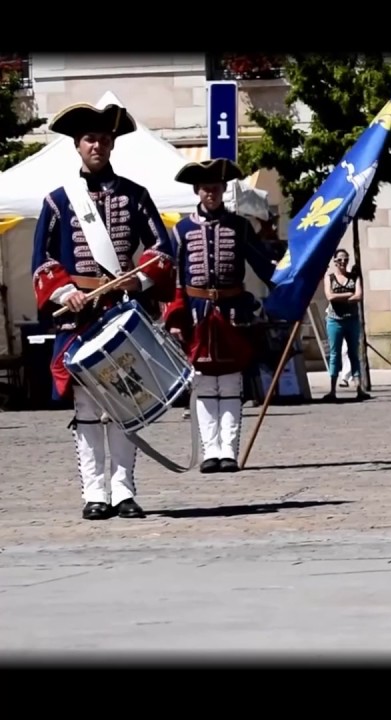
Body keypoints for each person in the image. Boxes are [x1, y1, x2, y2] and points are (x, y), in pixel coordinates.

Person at [30, 102, 177, 520]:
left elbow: (161, 249)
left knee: (123, 405)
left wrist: (140, 279)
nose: (97, 145)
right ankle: (95, 493)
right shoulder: (58, 202)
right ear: (78, 146)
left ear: (112, 144)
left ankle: (123, 491)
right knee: (88, 411)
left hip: (121, 312)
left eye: (103, 139)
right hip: (80, 317)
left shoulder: (135, 195)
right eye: (90, 139)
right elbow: (41, 260)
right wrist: (64, 292)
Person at [162, 158, 277, 474]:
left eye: (216, 187)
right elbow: (174, 278)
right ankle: (210, 451)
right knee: (202, 385)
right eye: (205, 188)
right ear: (197, 190)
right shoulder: (181, 229)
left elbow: (263, 265)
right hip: (197, 315)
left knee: (229, 384)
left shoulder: (240, 226)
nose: (210, 193)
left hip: (232, 313)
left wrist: (288, 285)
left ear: (223, 189)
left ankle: (228, 451)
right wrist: (174, 318)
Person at [322, 249, 368, 401]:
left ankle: (359, 389)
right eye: (340, 259)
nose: (343, 262)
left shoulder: (354, 277)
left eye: (346, 259)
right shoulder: (329, 278)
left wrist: (340, 297)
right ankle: (332, 390)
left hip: (351, 319)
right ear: (334, 261)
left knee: (353, 354)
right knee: (335, 355)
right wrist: (349, 295)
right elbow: (329, 296)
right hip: (334, 320)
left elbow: (359, 296)